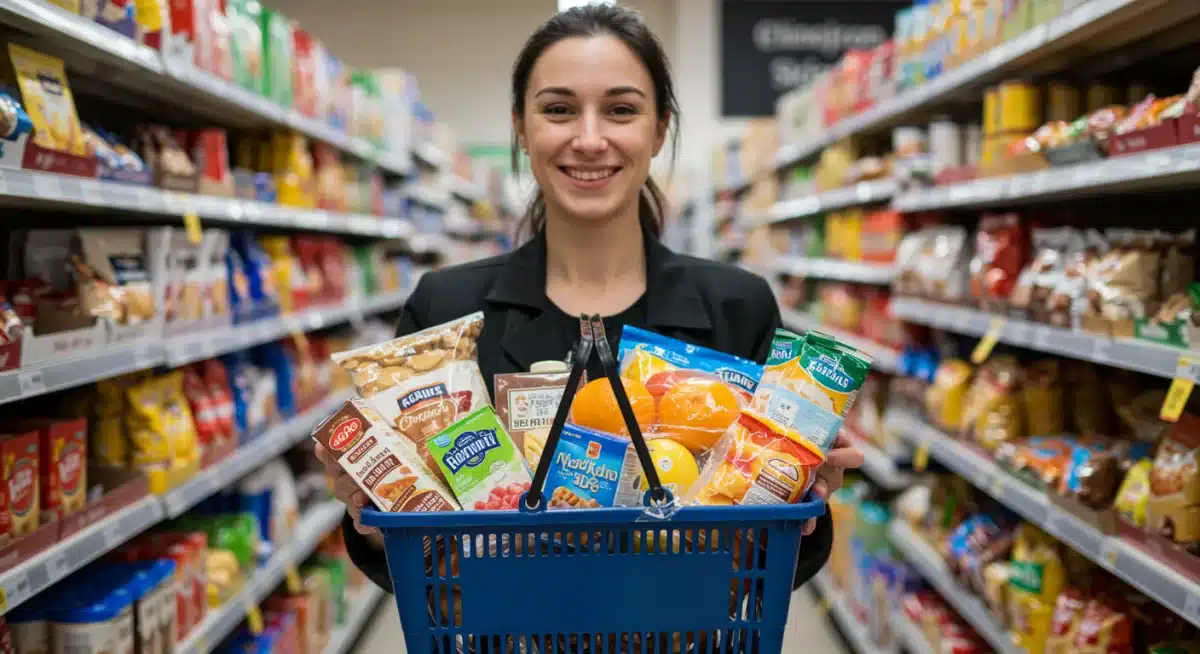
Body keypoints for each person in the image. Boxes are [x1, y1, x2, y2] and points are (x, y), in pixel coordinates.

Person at [315, 3, 864, 594]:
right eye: (558, 110)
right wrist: (375, 514)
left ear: (659, 131)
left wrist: (798, 497)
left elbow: (769, 567)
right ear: (521, 129)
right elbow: (417, 566)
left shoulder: (738, 306)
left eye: (621, 110)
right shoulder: (448, 311)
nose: (590, 138)